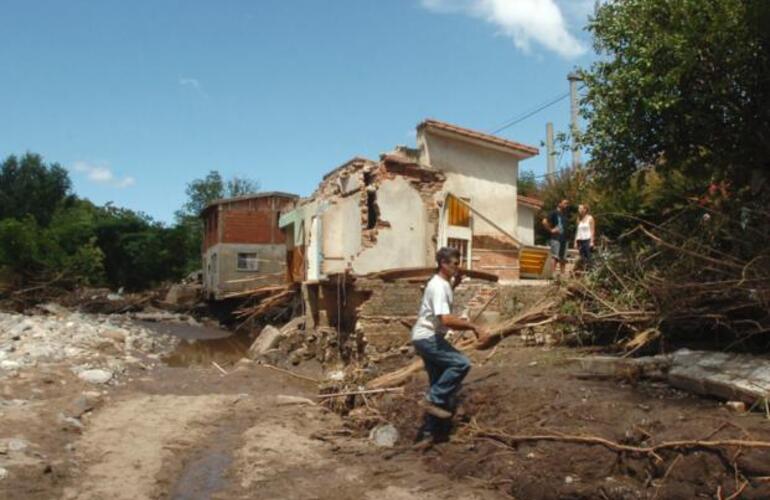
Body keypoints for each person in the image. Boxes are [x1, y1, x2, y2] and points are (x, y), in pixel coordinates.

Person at [411, 247, 487, 446]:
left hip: (425, 337)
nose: (458, 267)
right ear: (443, 264)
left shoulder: (442, 284)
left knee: (439, 385)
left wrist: (456, 284)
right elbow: (445, 319)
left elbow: (441, 305)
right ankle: (431, 399)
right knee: (461, 363)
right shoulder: (438, 286)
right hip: (428, 337)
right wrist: (473, 326)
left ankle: (430, 435)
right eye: (454, 263)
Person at [542, 199, 569, 277]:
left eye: (567, 204)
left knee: (563, 258)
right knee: (555, 257)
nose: (566, 205)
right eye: (565, 203)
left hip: (565, 239)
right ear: (559, 203)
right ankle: (552, 275)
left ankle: (562, 275)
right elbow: (544, 221)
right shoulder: (554, 212)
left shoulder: (564, 214)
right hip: (556, 238)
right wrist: (551, 230)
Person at [574, 204, 595, 269]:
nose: (579, 210)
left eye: (580, 208)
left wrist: (592, 241)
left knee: (588, 256)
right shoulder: (578, 219)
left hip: (587, 239)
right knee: (582, 257)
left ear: (585, 210)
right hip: (580, 240)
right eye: (578, 208)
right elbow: (577, 231)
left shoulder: (590, 218)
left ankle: (591, 271)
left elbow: (592, 230)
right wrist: (575, 241)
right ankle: (583, 271)